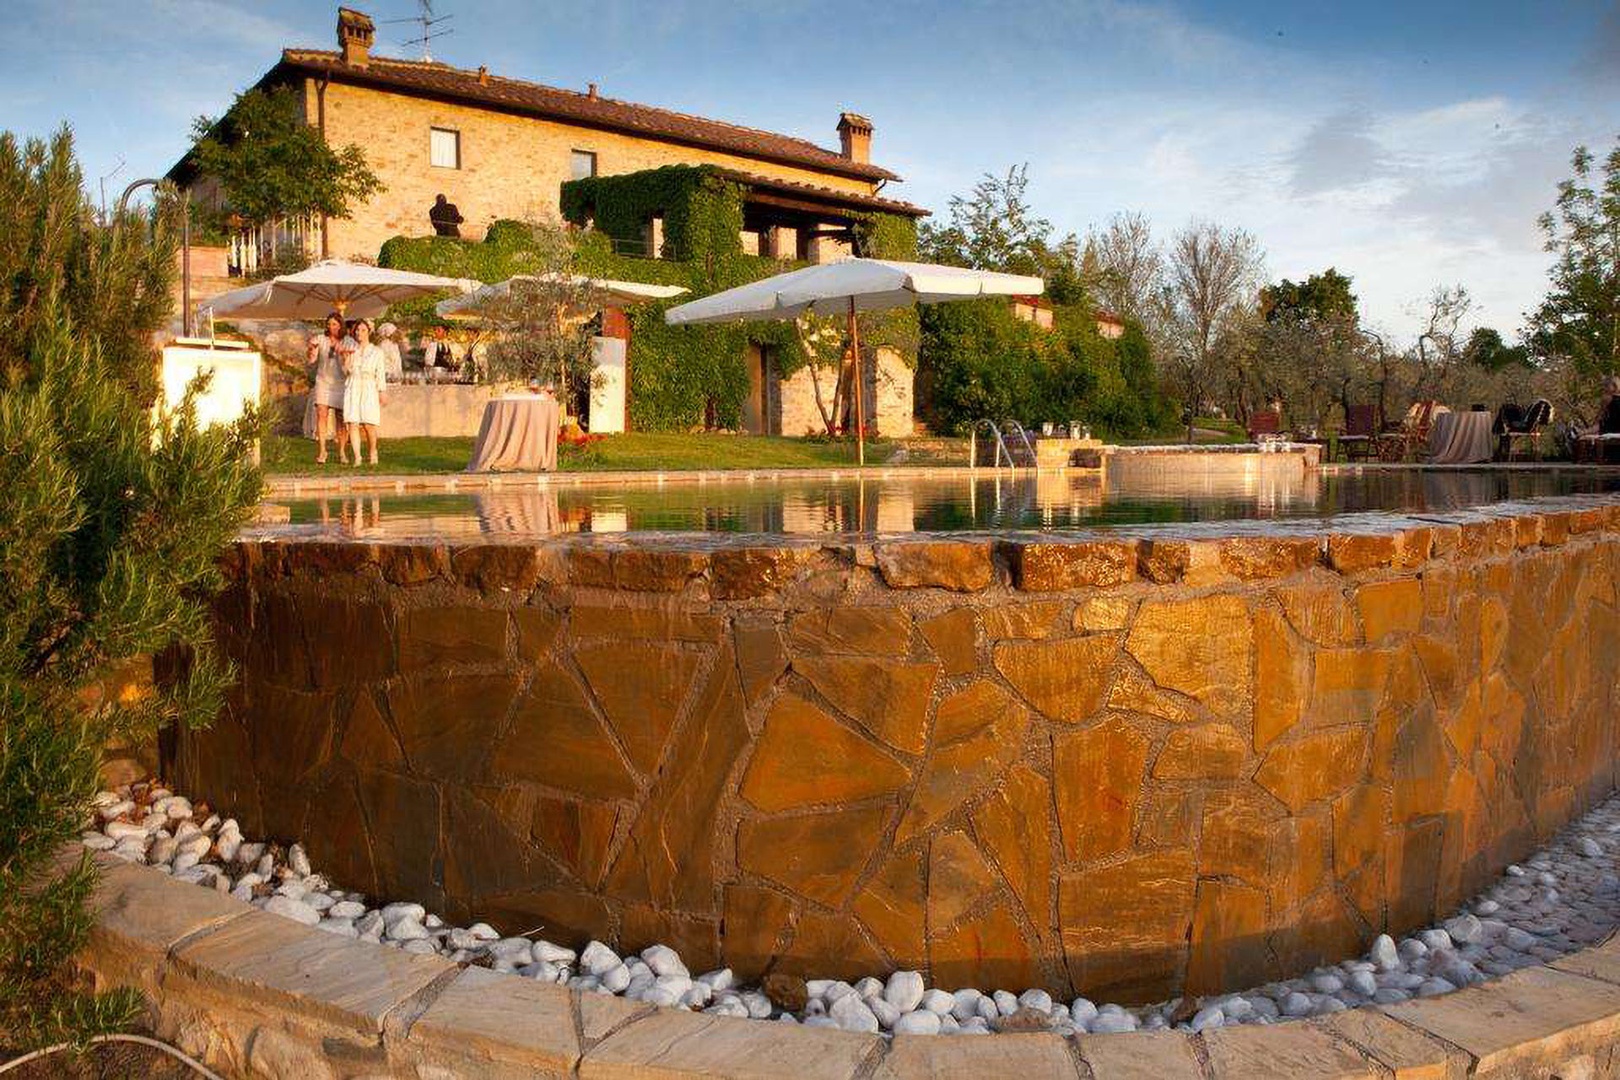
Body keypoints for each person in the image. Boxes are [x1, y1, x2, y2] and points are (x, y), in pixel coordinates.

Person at [306, 312, 350, 464]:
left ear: (340, 325)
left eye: (335, 324)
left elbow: (352, 361)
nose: (331, 327)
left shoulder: (348, 341)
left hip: (341, 383)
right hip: (323, 381)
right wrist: (311, 349)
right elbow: (311, 360)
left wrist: (343, 353)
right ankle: (322, 451)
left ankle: (342, 452)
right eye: (329, 324)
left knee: (341, 418)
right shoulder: (321, 339)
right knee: (321, 414)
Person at [343, 318, 388, 466]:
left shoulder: (377, 352)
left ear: (369, 332)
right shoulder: (351, 350)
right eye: (357, 330)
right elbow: (346, 371)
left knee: (369, 424)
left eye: (362, 330)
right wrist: (346, 361)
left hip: (369, 387)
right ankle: (357, 457)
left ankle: (373, 451)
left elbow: (380, 373)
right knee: (353, 422)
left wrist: (382, 391)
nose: (359, 333)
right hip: (353, 386)